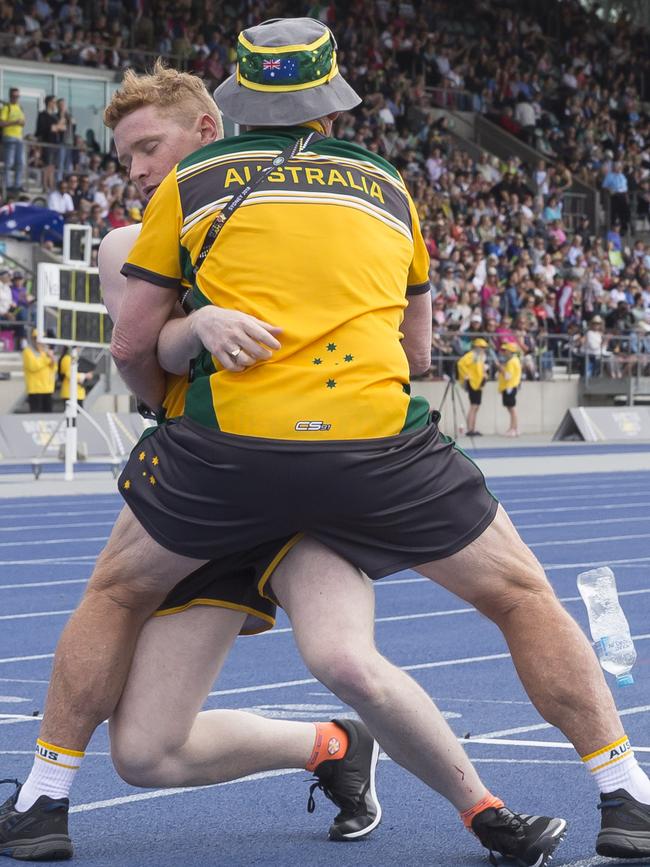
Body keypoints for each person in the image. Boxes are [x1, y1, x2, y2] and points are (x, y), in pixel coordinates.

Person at [5, 18, 650, 864]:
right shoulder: (388, 186)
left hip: (227, 459)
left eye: (143, 148)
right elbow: (420, 354)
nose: (133, 168)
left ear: (223, 112)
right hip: (370, 448)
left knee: (125, 595)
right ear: (329, 101)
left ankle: (45, 802)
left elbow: (131, 347)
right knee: (519, 596)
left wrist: (183, 399)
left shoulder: (192, 184)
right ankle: (625, 793)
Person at [457, 338, 488, 436]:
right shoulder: (471, 355)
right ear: (477, 347)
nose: (484, 349)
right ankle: (470, 429)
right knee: (473, 406)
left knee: (476, 407)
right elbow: (460, 363)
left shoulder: (479, 357)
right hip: (473, 383)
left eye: (484, 347)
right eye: (482, 347)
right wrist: (467, 375)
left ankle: (473, 429)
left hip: (478, 384)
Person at [22, 328, 56, 412]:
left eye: (42, 338)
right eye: (36, 338)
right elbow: (33, 366)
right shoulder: (28, 351)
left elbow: (54, 367)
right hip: (35, 389)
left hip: (47, 389)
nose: (40, 342)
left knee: (48, 417)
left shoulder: (46, 351)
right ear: (33, 339)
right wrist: (47, 359)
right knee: (36, 417)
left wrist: (51, 359)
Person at [0, 87, 26, 192]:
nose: (15, 98)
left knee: (20, 163)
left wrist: (21, 123)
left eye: (17, 96)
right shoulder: (6, 108)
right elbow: (1, 123)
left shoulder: (20, 107)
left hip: (19, 137)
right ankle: (8, 184)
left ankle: (17, 184)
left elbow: (23, 122)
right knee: (9, 163)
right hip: (9, 137)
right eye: (13, 96)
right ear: (10, 96)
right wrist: (14, 122)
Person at [497, 341, 522, 436]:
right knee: (511, 409)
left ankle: (514, 428)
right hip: (510, 387)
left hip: (510, 387)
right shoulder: (513, 361)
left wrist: (500, 368)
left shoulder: (512, 362)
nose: (504, 352)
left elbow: (508, 376)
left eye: (505, 350)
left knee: (512, 409)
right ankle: (513, 427)